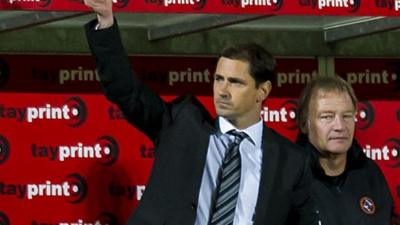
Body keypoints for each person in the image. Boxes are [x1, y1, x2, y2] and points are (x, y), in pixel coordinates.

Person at [83, 0, 316, 224]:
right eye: (218, 79)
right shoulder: (181, 124)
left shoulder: (291, 162)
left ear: (262, 90)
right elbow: (125, 91)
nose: (222, 91)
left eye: (235, 82)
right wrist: (105, 20)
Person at [296, 75, 393, 225]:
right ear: (304, 124)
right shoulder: (288, 179)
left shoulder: (370, 173)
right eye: (327, 117)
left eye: (347, 116)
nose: (340, 126)